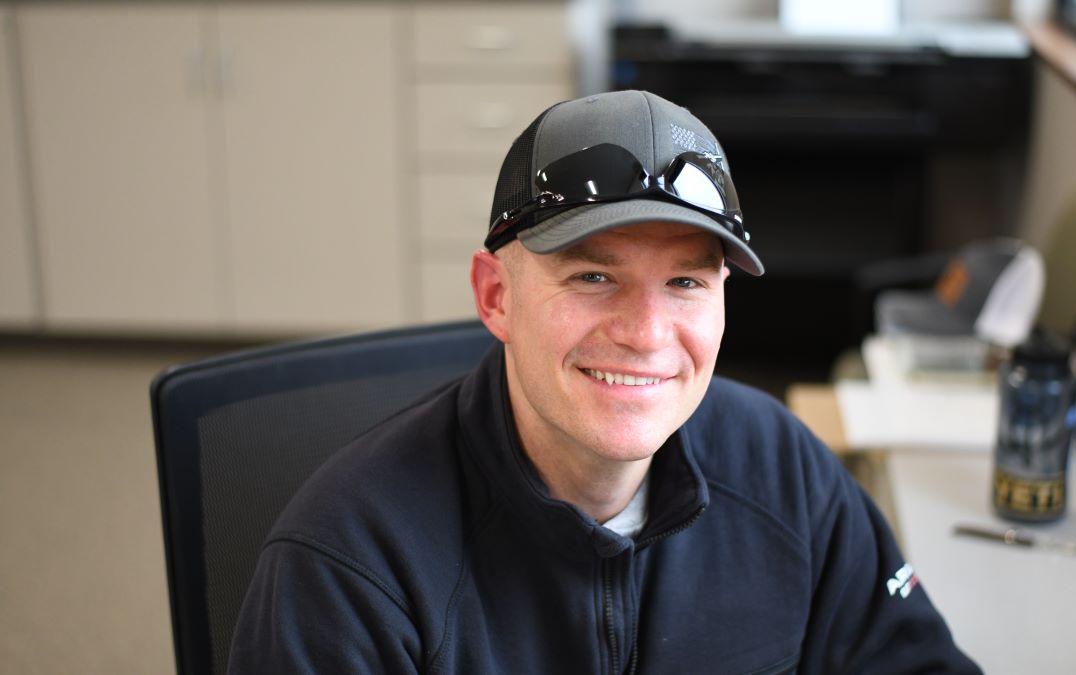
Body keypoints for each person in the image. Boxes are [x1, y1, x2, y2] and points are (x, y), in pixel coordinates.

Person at [228, 90, 980, 674]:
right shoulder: (347, 560)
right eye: (593, 275)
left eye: (686, 281)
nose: (647, 333)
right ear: (496, 296)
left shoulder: (786, 473)